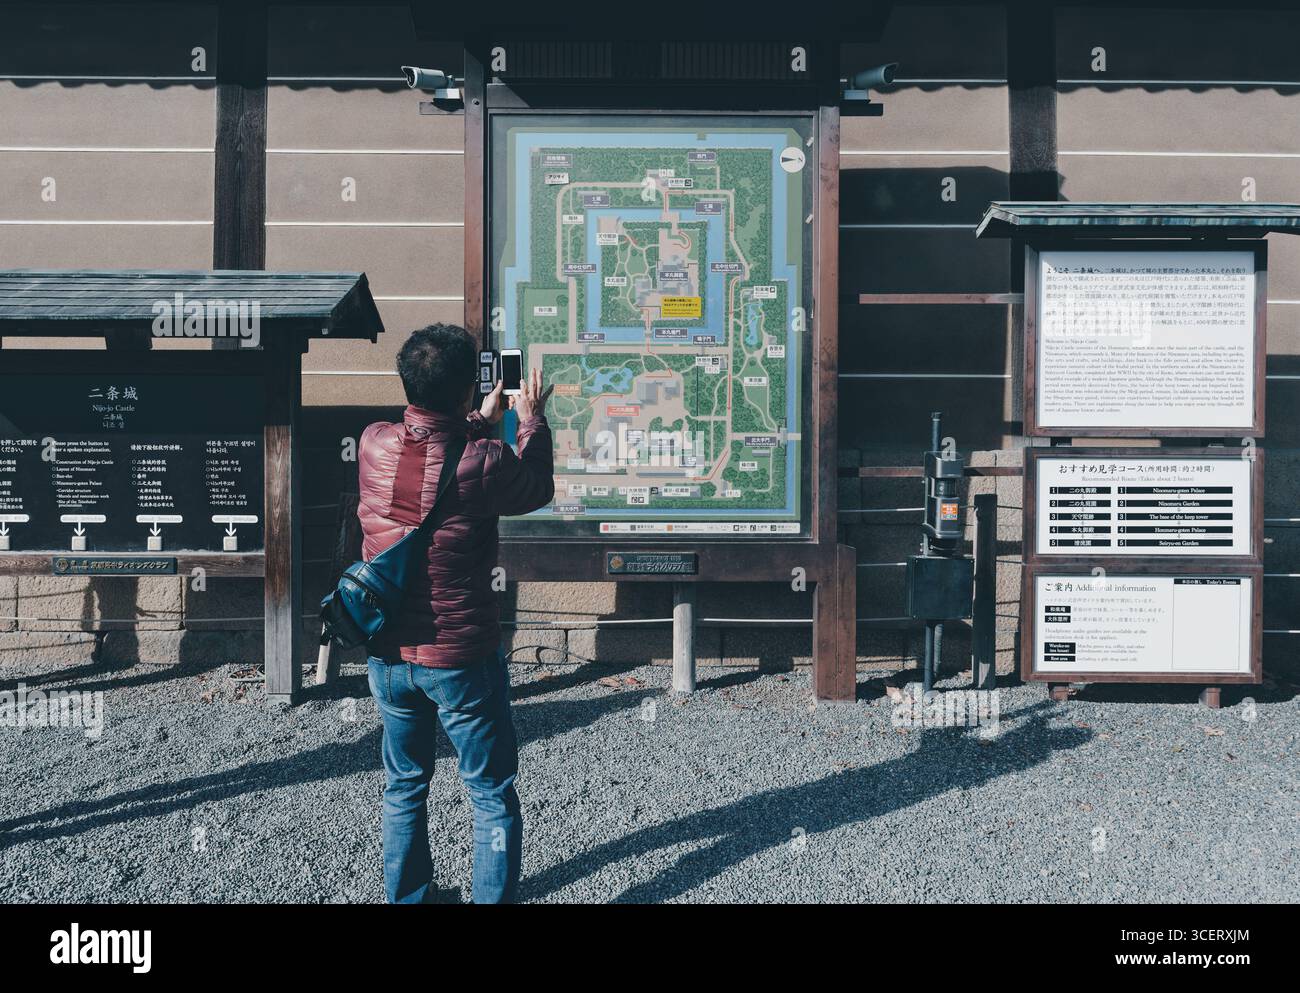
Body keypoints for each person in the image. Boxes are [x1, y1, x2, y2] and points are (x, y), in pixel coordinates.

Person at [356, 323, 553, 904]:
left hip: (388, 651)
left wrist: (477, 419)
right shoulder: (485, 460)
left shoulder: (373, 443)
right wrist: (529, 417)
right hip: (460, 653)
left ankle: (410, 898)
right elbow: (535, 486)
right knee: (489, 789)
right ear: (470, 389)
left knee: (404, 785)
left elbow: (426, 459)